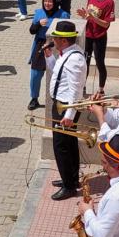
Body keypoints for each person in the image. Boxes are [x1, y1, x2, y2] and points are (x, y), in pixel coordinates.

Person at [44, 21, 88, 200]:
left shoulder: (75, 59)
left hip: (66, 108)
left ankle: (69, 186)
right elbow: (59, 73)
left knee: (61, 146)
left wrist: (69, 115)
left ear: (63, 40)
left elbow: (76, 91)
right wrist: (49, 57)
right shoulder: (66, 54)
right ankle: (70, 178)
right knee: (68, 144)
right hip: (62, 105)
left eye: (55, 37)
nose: (52, 39)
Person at [27, 0, 69, 111]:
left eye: (50, 1)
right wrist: (38, 24)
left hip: (57, 45)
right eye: (45, 1)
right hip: (41, 44)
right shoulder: (39, 13)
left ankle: (57, 98)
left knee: (56, 74)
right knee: (35, 74)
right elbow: (31, 31)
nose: (47, 4)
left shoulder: (63, 14)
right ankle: (34, 98)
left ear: (55, 2)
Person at [76, 0, 116, 97]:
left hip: (99, 37)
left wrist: (92, 18)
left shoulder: (109, 2)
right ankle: (82, 86)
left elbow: (106, 24)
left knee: (99, 63)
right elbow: (88, 16)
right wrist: (85, 16)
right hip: (88, 35)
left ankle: (101, 89)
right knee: (85, 62)